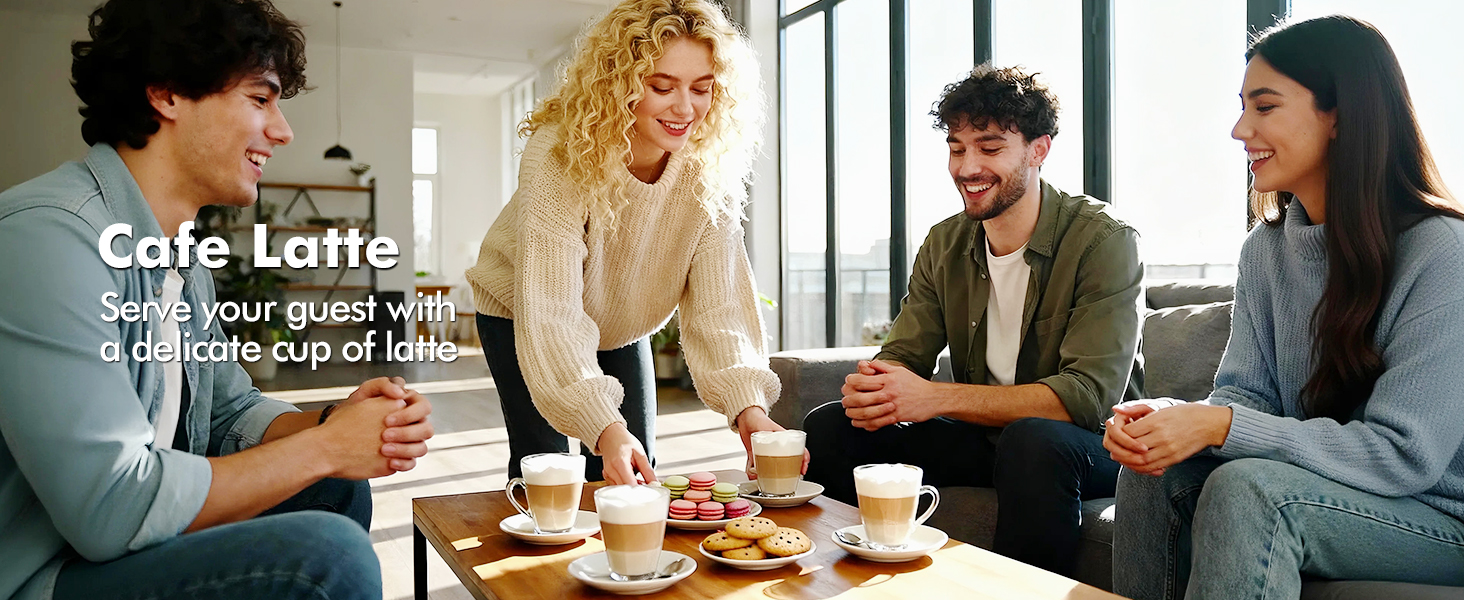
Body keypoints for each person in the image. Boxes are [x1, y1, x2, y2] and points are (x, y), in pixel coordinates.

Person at [0, 1, 435, 598]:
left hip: (111, 548)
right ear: (168, 93)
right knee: (328, 560)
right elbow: (111, 509)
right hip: (48, 573)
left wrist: (336, 422)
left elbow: (231, 413)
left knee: (338, 487)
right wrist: (328, 446)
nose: (283, 130)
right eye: (260, 99)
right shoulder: (48, 238)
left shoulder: (180, 253)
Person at [1107, 15, 1464, 600]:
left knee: (1248, 491)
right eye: (1242, 106)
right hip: (1326, 489)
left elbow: (1405, 456)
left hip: (1437, 515)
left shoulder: (1442, 251)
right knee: (1152, 471)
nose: (1239, 129)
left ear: (1340, 115)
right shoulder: (1266, 249)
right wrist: (1174, 418)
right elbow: (1246, 398)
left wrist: (1221, 425)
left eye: (1264, 107)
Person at [802, 65, 1145, 576]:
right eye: (957, 148)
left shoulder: (1103, 239)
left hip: (1094, 446)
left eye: (989, 147)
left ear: (1038, 150)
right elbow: (904, 353)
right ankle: (835, 582)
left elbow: (1088, 397)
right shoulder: (945, 243)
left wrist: (934, 398)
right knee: (830, 426)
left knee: (1035, 441)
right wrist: (875, 387)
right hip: (989, 440)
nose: (967, 167)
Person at [465, 0, 802, 486]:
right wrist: (602, 427)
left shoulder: (709, 170)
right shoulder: (560, 153)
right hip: (524, 308)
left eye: (702, 89)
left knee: (636, 472)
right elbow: (553, 312)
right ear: (618, 84)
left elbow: (719, 307)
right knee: (548, 473)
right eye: (661, 86)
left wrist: (748, 409)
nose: (685, 109)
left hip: (622, 320)